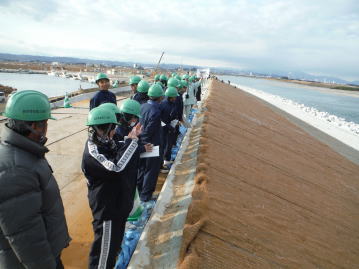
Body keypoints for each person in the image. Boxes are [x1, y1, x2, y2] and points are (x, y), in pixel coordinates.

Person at [0, 90, 71, 269]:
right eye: (45, 123)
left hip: (48, 250)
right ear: (34, 126)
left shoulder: (26, 151)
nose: (46, 128)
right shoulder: (16, 170)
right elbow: (26, 236)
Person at [82, 106, 141, 269]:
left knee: (114, 245)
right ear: (106, 129)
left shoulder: (105, 142)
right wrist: (131, 142)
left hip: (116, 205)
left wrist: (130, 139)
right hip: (106, 210)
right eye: (113, 128)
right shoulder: (92, 152)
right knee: (103, 252)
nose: (115, 132)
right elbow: (115, 167)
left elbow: (118, 148)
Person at [137, 84, 164, 204]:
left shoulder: (142, 107)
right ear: (160, 98)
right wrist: (146, 145)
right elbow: (149, 130)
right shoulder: (155, 112)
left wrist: (141, 145)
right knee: (151, 172)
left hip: (141, 144)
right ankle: (146, 197)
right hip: (151, 145)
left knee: (142, 170)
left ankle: (139, 193)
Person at [160, 86, 180, 173]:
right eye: (174, 97)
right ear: (170, 97)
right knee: (165, 145)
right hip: (164, 129)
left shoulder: (172, 103)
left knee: (168, 144)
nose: (176, 98)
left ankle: (166, 159)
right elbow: (161, 120)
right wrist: (169, 127)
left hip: (170, 127)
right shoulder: (164, 105)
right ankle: (163, 162)